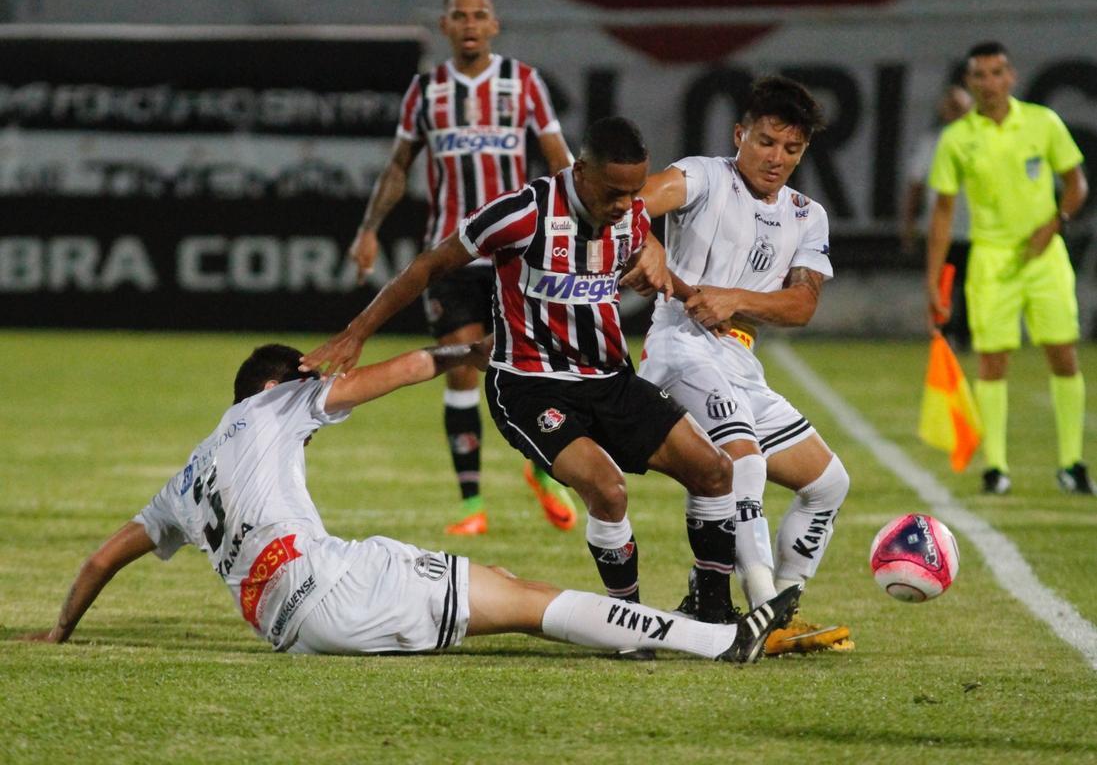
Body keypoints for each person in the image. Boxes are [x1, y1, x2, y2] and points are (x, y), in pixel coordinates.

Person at [21, 341, 802, 664]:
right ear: (277, 384)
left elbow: (100, 558)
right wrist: (480, 353)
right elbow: (394, 373)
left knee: (493, 581)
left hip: (290, 630)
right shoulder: (273, 406)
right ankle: (713, 641)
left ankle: (677, 636)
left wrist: (61, 630)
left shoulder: (186, 477)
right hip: (334, 586)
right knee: (528, 600)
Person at [302, 117, 750, 639]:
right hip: (530, 385)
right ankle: (629, 625)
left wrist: (687, 292)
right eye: (614, 192)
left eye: (634, 192)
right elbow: (428, 266)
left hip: (609, 379)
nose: (627, 204)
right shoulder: (523, 213)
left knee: (716, 471)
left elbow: (642, 246)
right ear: (580, 172)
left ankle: (712, 608)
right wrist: (356, 333)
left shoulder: (627, 213)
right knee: (608, 490)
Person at [347, 0, 577, 535]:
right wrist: (369, 228)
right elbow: (400, 165)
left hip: (513, 252)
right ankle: (471, 505)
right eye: (460, 15)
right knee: (457, 369)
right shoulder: (426, 91)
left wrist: (577, 223)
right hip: (448, 256)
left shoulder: (522, 83)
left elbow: (558, 158)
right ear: (445, 25)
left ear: (493, 25)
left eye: (480, 15)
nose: (470, 24)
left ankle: (542, 470)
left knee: (526, 367)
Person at [637, 75, 852, 654]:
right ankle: (760, 611)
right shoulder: (706, 176)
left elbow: (803, 304)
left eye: (792, 149)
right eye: (765, 142)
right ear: (740, 134)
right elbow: (640, 198)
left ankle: (783, 604)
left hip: (739, 364)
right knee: (743, 461)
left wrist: (735, 299)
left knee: (829, 483)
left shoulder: (808, 215)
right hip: (679, 351)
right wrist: (646, 239)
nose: (776, 158)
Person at [926, 41, 1093, 495]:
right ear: (968, 83)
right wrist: (934, 278)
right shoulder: (957, 138)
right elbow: (942, 213)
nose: (990, 83)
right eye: (979, 75)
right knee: (992, 361)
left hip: (1044, 257)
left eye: (998, 72)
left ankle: (1072, 463)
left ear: (1012, 77)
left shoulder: (1043, 122)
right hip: (991, 259)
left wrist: (1055, 223)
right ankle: (996, 468)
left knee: (1063, 354)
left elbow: (1077, 183)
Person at [900, 83, 974, 349]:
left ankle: (965, 337)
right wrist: (908, 225)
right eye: (951, 106)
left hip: (976, 229)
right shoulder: (932, 143)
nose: (955, 112)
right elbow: (915, 186)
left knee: (971, 288)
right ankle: (941, 333)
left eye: (960, 106)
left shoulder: (983, 142)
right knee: (942, 285)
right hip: (941, 229)